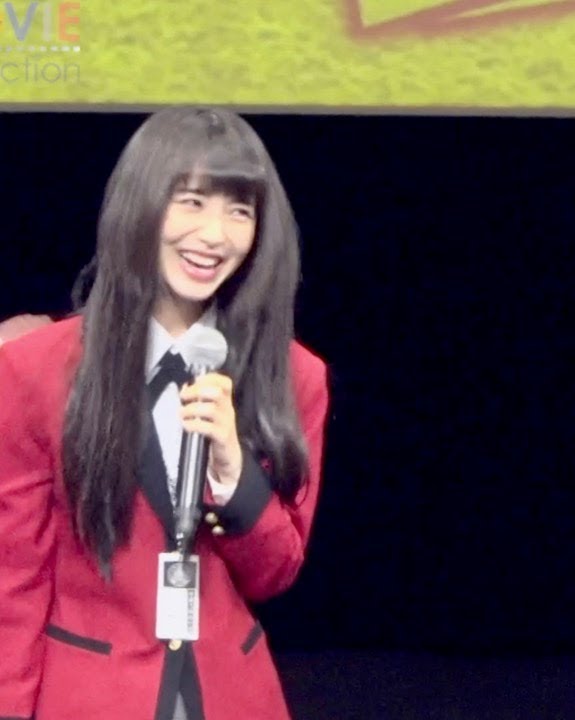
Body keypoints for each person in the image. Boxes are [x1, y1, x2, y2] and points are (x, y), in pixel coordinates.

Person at [0, 107, 330, 720]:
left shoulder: (293, 375)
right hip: (89, 697)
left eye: (240, 211)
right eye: (192, 202)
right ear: (141, 205)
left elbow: (276, 574)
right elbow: (11, 580)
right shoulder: (33, 370)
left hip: (231, 697)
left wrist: (234, 476)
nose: (214, 235)